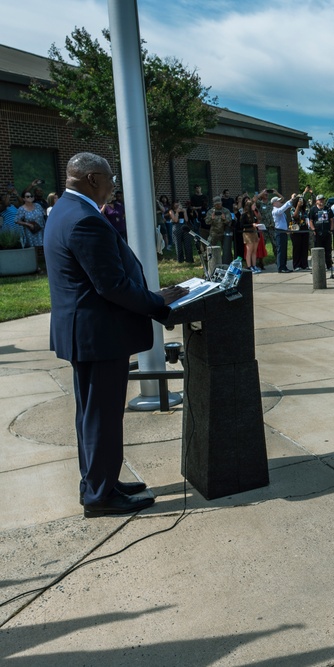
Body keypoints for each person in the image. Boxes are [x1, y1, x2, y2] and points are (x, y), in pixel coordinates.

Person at [43, 152, 187, 517]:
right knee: (102, 416)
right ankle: (100, 496)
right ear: (92, 178)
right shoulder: (83, 219)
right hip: (99, 335)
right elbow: (111, 285)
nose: (113, 185)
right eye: (110, 178)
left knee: (94, 415)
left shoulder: (65, 210)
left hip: (89, 334)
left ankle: (100, 480)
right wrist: (157, 303)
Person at [309, 194, 333, 275]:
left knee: (328, 250)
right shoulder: (313, 210)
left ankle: (329, 265)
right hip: (317, 233)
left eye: (323, 200)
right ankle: (317, 266)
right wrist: (313, 229)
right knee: (317, 250)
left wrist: (331, 229)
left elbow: (331, 219)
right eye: (320, 200)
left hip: (326, 232)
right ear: (317, 201)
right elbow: (311, 221)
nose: (322, 201)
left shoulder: (328, 209)